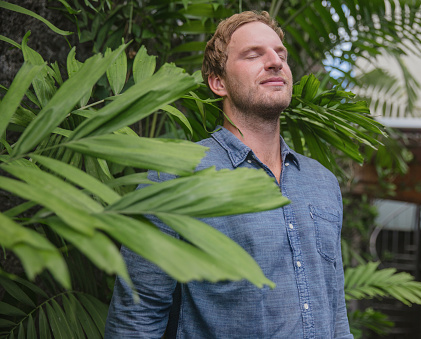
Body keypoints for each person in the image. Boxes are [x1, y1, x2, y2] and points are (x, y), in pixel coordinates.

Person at [105, 10, 353, 339]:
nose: (275, 62)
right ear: (218, 83)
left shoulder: (323, 182)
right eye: (254, 54)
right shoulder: (177, 176)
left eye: (281, 54)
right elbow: (136, 320)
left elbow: (336, 318)